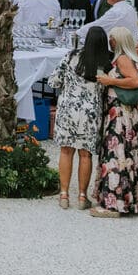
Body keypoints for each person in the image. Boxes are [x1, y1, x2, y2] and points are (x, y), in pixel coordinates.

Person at [91, 27, 138, 217]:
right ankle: (131, 200)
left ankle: (114, 204)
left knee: (116, 153)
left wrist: (110, 81)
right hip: (130, 113)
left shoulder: (123, 59)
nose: (110, 41)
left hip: (120, 113)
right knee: (129, 153)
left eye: (113, 39)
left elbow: (135, 82)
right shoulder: (133, 59)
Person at [49, 26, 109, 210]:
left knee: (66, 151)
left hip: (68, 109)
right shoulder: (105, 63)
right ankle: (82, 196)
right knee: (86, 154)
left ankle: (64, 195)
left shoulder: (71, 56)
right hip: (90, 112)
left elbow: (54, 81)